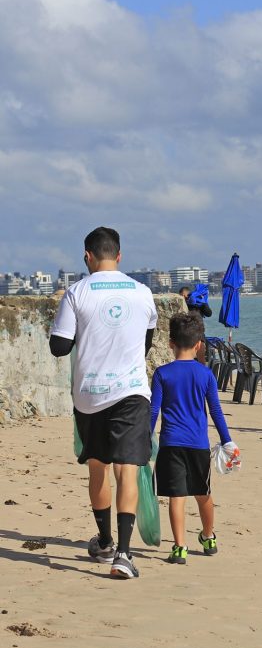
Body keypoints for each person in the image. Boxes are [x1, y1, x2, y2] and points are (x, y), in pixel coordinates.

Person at [49, 227, 158, 580]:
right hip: (131, 392)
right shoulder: (142, 293)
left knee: (98, 468)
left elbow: (59, 347)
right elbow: (146, 342)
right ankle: (125, 555)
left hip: (91, 395)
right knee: (127, 469)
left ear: (87, 256)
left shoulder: (77, 293)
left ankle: (106, 541)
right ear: (120, 256)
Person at [150, 312, 236, 565]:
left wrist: (144, 436)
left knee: (176, 497)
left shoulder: (161, 374)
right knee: (203, 493)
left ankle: (179, 547)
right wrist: (227, 440)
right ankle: (208, 536)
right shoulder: (205, 374)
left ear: (170, 343)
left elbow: (154, 411)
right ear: (199, 344)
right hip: (198, 444)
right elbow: (216, 411)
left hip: (170, 444)